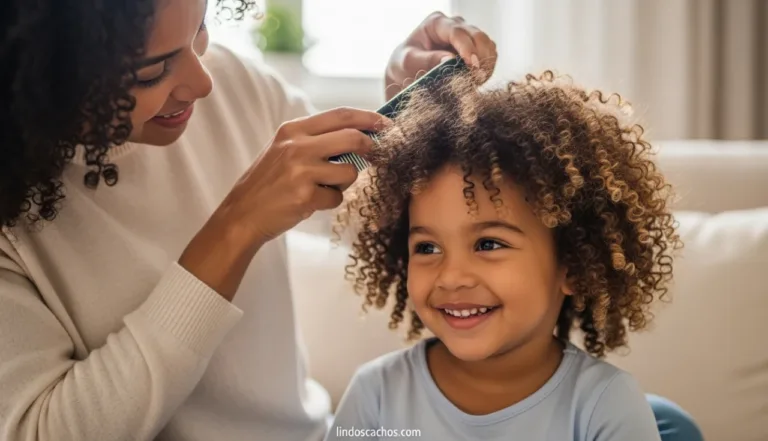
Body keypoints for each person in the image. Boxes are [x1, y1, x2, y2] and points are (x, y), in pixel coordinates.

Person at [0, 0, 499, 440]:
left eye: (199, 28)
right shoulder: (12, 223)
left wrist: (410, 108)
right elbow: (43, 431)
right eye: (151, 72)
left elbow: (372, 216)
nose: (202, 82)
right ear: (43, 72)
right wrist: (236, 226)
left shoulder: (236, 84)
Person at [326, 71, 706, 440]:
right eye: (427, 247)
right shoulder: (376, 396)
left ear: (572, 265)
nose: (451, 276)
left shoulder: (604, 404)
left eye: (488, 244)